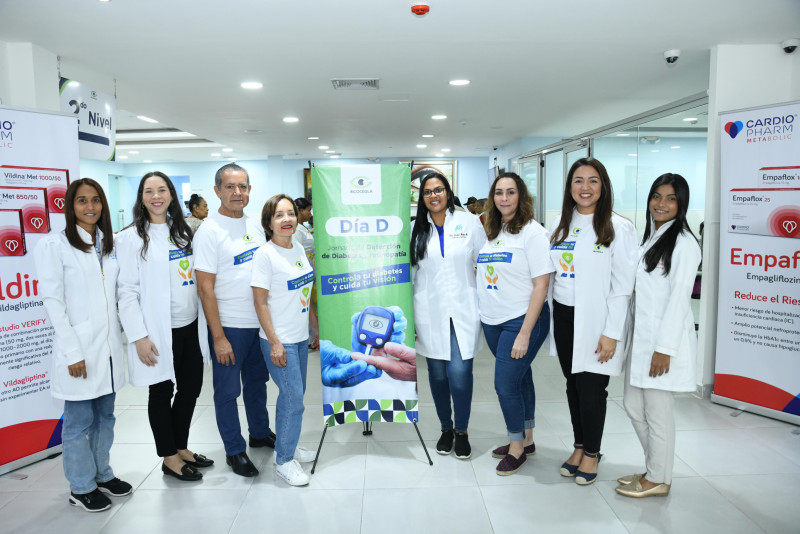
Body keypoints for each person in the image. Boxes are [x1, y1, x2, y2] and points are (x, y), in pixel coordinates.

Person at [33, 178, 132, 512]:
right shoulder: (55, 246)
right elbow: (53, 303)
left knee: (106, 417)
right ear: (69, 206)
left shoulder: (108, 243)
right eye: (81, 201)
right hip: (78, 350)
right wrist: (72, 352)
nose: (90, 207)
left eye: (95, 200)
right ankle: (80, 485)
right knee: (78, 423)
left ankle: (102, 474)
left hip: (107, 350)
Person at [116, 171, 212, 483]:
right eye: (148, 191)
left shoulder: (182, 231)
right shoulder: (130, 238)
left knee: (191, 387)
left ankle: (180, 446)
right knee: (161, 391)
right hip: (158, 331)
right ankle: (168, 456)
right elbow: (126, 292)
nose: (156, 196)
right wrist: (139, 337)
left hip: (189, 324)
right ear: (141, 198)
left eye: (161, 190)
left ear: (171, 194)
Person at [548, 157, 638, 485]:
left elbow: (623, 286)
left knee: (592, 388)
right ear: (570, 187)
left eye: (593, 181)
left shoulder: (618, 227)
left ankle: (592, 453)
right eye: (578, 181)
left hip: (599, 321)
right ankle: (580, 445)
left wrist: (612, 332)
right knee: (573, 385)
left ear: (603, 186)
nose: (585, 188)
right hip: (564, 315)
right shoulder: (559, 223)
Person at [617, 173, 701, 498]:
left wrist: (664, 349)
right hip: (641, 342)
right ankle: (655, 468)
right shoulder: (652, 238)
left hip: (662, 346)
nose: (661, 204)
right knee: (633, 407)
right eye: (657, 196)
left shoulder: (684, 244)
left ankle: (658, 479)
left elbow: (680, 300)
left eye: (670, 198)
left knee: (658, 414)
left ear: (681, 204)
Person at [193, 163, 273, 477]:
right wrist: (219, 337)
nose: (237, 193)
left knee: (258, 384)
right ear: (217, 191)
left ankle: (260, 432)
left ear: (250, 190)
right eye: (229, 187)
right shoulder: (209, 231)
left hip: (259, 324)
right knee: (227, 392)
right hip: (229, 326)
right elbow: (204, 287)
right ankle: (234, 450)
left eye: (242, 187)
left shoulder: (255, 226)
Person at [477, 172, 554, 476]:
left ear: (521, 196)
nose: (504, 198)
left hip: (522, 320)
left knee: (505, 384)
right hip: (493, 320)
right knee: (520, 379)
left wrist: (525, 332)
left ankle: (517, 448)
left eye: (510, 192)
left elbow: (541, 285)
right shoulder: (494, 230)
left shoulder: (533, 233)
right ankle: (528, 438)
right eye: (499, 192)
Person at [410, 172, 485, 459]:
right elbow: (411, 275)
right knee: (438, 374)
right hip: (428, 310)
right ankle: (445, 428)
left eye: (438, 190)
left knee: (460, 372)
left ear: (447, 191)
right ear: (422, 197)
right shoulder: (415, 229)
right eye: (427, 192)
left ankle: (462, 431)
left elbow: (485, 261)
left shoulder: (469, 222)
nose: (433, 196)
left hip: (465, 308)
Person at [251, 195, 319, 486]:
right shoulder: (265, 255)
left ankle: (286, 447)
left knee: (294, 397)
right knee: (293, 399)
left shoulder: (298, 249)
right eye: (279, 215)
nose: (287, 219)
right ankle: (283, 461)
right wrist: (274, 342)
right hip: (280, 340)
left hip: (300, 337)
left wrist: (315, 327)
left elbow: (304, 292)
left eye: (290, 213)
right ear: (269, 222)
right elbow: (260, 302)